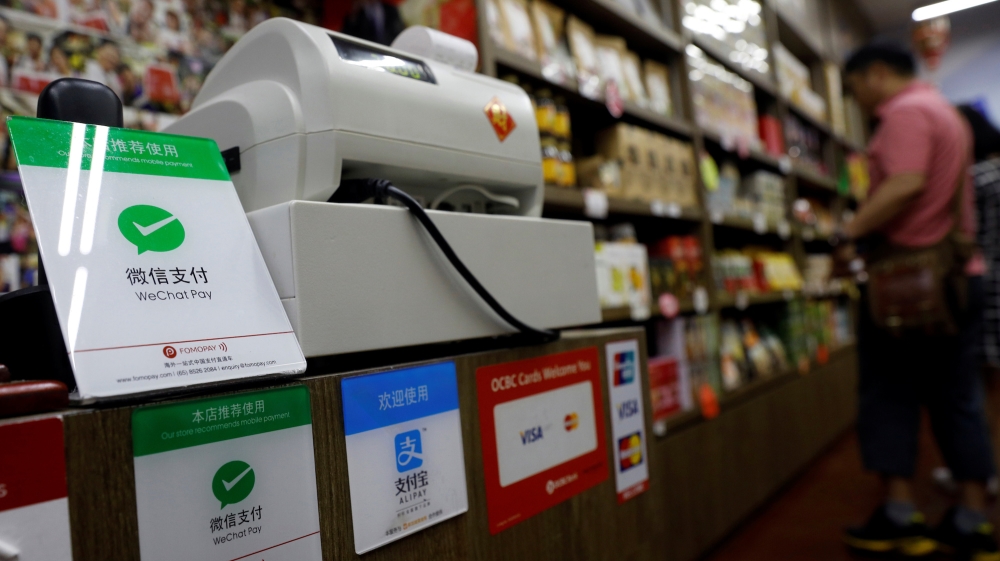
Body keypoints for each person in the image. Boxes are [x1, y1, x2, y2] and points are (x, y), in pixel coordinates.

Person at [839, 41, 999, 560]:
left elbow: (905, 183)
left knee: (888, 393)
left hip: (909, 281)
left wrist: (849, 233)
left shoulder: (904, 114)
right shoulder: (946, 112)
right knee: (958, 397)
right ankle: (973, 517)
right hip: (956, 274)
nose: (857, 99)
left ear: (877, 74)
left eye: (855, 87)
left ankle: (899, 513)